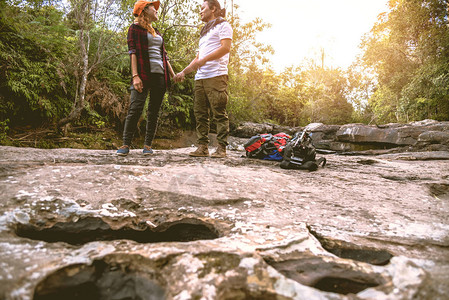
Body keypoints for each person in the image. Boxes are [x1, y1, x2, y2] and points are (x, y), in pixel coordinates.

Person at [174, 0, 232, 158]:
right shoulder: (205, 31)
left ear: (213, 9)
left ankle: (221, 149)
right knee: (200, 114)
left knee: (219, 113)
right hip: (200, 78)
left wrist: (205, 60)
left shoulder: (223, 25)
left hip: (216, 76)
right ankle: (202, 147)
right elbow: (198, 57)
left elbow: (226, 48)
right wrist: (184, 72)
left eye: (202, 8)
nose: (200, 11)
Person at [117, 0, 175, 156]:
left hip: (160, 75)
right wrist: (135, 76)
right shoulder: (134, 29)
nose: (156, 10)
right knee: (135, 108)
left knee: (154, 111)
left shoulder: (156, 31)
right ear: (144, 10)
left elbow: (164, 55)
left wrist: (173, 75)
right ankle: (125, 144)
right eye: (153, 8)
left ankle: (147, 145)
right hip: (143, 73)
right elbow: (133, 52)